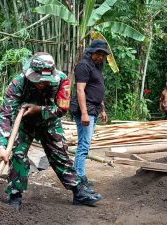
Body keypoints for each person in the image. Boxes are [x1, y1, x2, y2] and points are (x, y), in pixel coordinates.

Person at [0, 52, 101, 211]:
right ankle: (15, 195)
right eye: (37, 81)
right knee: (18, 154)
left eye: (45, 82)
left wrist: (39, 110)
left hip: (50, 122)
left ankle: (78, 192)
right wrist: (1, 147)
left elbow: (62, 109)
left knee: (60, 156)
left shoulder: (62, 81)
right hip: (24, 124)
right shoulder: (18, 83)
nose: (41, 84)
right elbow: (6, 114)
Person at [70, 39, 109, 194]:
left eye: (103, 54)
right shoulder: (83, 66)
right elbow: (80, 90)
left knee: (85, 145)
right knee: (84, 146)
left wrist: (103, 109)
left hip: (94, 109)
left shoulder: (96, 68)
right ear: (91, 52)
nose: (100, 57)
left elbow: (97, 90)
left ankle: (78, 176)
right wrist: (84, 113)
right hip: (86, 110)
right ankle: (79, 178)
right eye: (98, 53)